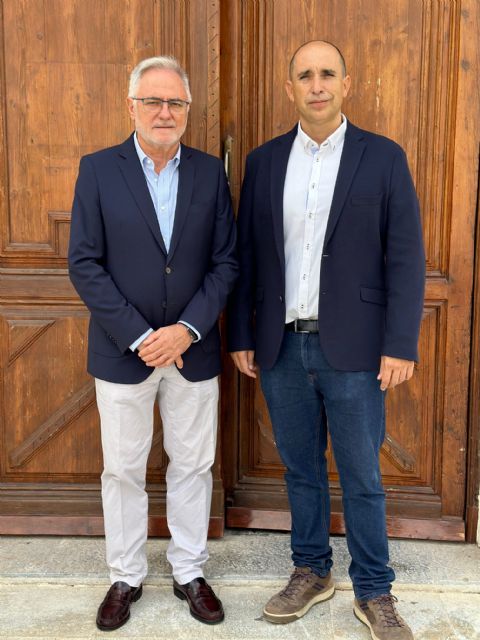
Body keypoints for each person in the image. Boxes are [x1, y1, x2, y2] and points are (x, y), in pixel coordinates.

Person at [227, 40, 425, 640]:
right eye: (305, 75)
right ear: (290, 88)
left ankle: (374, 589)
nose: (317, 84)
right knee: (300, 470)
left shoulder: (383, 157)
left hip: (359, 349)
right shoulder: (263, 162)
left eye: (327, 74)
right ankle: (311, 570)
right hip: (281, 344)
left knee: (362, 472)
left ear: (346, 83)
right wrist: (240, 333)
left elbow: (405, 257)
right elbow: (248, 256)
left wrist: (400, 343)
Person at [68, 55, 237, 630]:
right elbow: (85, 264)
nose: (164, 113)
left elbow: (225, 263)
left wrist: (185, 329)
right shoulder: (97, 169)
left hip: (193, 351)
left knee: (193, 465)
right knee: (123, 468)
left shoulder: (211, 173)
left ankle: (190, 570)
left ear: (187, 110)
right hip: (123, 352)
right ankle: (126, 575)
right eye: (153, 101)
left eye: (175, 103)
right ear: (131, 106)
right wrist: (143, 336)